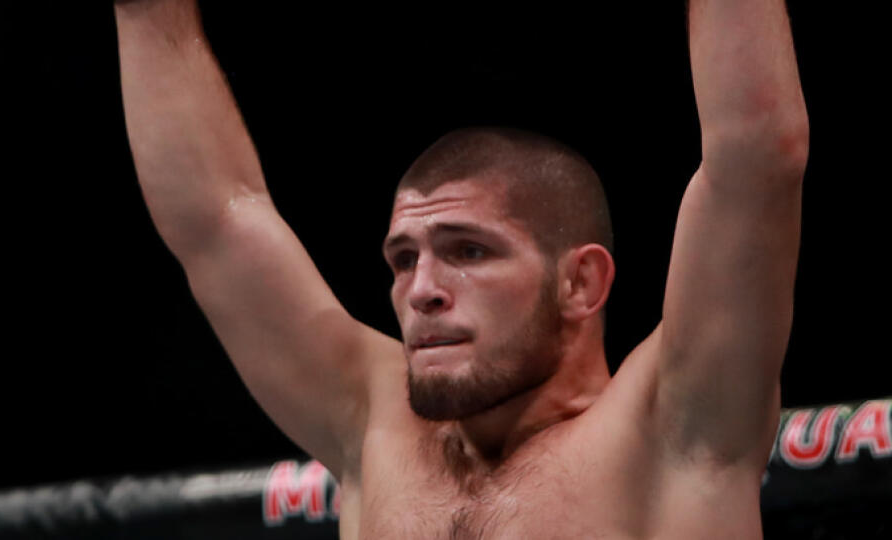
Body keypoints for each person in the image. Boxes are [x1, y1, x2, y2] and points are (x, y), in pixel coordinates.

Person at [114, 0, 808, 537]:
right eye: (402, 258)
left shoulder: (673, 428)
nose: (422, 291)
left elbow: (756, 157)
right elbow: (215, 217)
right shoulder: (372, 424)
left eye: (469, 251)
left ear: (581, 283)